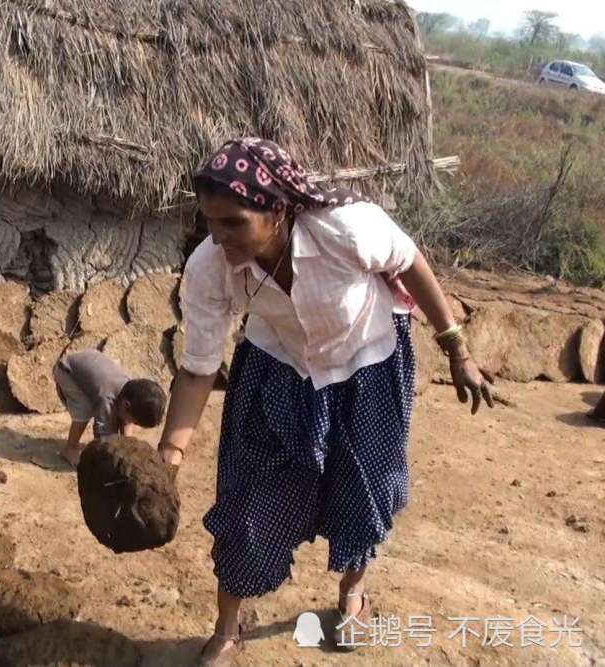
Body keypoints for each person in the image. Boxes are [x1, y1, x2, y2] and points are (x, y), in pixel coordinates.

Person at [155, 138, 493, 664]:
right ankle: (228, 625)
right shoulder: (208, 268)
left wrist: (456, 349)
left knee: (366, 492)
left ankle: (353, 596)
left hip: (368, 370)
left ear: (279, 208)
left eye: (234, 223)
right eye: (210, 223)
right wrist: (169, 458)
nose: (219, 238)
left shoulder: (348, 228)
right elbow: (198, 368)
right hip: (275, 376)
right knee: (247, 505)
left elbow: (410, 263)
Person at [53, 349, 168, 466]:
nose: (134, 424)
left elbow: (126, 420)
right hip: (66, 371)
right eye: (136, 422)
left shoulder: (130, 389)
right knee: (85, 410)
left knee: (120, 416)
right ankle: (70, 448)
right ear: (125, 405)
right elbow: (103, 436)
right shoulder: (105, 399)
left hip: (88, 363)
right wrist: (111, 455)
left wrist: (127, 445)